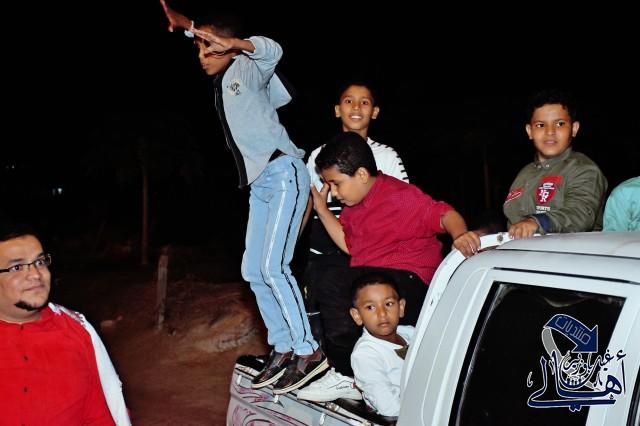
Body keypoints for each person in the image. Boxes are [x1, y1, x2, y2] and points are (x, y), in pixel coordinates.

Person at [159, 2, 327, 394]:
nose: (202, 57)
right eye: (198, 50)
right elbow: (208, 39)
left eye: (209, 49)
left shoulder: (247, 68)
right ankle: (283, 347)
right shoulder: (226, 79)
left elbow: (273, 50)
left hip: (283, 171)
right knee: (252, 269)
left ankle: (309, 351)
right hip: (260, 184)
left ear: (230, 47)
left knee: (274, 266)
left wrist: (235, 43)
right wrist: (188, 26)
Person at [297, 132, 478, 402]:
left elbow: (444, 214)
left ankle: (346, 374)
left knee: (334, 282)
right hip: (377, 279)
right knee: (331, 280)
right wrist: (322, 211)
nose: (334, 192)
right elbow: (350, 246)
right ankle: (371, 369)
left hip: (410, 284)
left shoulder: (400, 196)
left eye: (336, 184)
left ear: (360, 174)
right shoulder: (353, 208)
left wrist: (460, 234)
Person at [301, 81, 409, 363]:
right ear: (337, 110)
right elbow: (308, 204)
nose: (356, 107)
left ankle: (367, 371)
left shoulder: (386, 156)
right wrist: (291, 244)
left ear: (375, 112)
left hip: (368, 251)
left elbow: (403, 206)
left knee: (367, 315)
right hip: (325, 251)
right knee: (322, 319)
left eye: (365, 102)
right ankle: (326, 369)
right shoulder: (317, 156)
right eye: (349, 101)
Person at [0, 222, 130, 425]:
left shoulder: (78, 332)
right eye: (17, 267)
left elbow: (101, 415)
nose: (35, 274)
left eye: (40, 262)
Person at [503, 89, 607, 239]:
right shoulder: (524, 174)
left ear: (574, 129)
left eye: (560, 124)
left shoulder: (584, 169)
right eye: (540, 125)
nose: (550, 131)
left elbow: (580, 214)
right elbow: (510, 224)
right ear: (529, 131)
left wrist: (537, 222)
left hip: (571, 252)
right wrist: (479, 236)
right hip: (519, 252)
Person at [349, 272, 413, 417]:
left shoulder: (411, 333)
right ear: (357, 315)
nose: (382, 314)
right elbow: (390, 408)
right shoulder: (365, 355)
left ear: (401, 307)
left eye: (388, 304)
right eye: (370, 307)